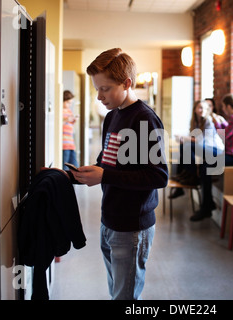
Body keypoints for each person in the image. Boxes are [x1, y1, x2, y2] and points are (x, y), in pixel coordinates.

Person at [70, 48, 168, 300]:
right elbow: (107, 164)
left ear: (127, 83)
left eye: (105, 88)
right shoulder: (111, 117)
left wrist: (105, 176)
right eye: (97, 89)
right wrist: (69, 175)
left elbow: (158, 176)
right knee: (118, 292)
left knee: (125, 298)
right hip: (109, 219)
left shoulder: (145, 119)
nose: (99, 96)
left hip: (132, 225)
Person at [170, 100, 224, 221]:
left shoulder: (208, 121)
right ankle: (189, 176)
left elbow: (200, 142)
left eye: (205, 108)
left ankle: (191, 175)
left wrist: (185, 138)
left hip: (215, 150)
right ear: (195, 109)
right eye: (200, 108)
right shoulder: (196, 122)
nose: (202, 110)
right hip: (207, 150)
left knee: (186, 146)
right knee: (184, 146)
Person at [62, 90, 79, 170]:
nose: (69, 105)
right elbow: (59, 124)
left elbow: (70, 124)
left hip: (70, 142)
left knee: (74, 165)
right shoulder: (60, 111)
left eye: (70, 103)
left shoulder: (69, 111)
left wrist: (74, 119)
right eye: (68, 102)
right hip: (64, 143)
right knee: (65, 165)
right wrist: (66, 119)